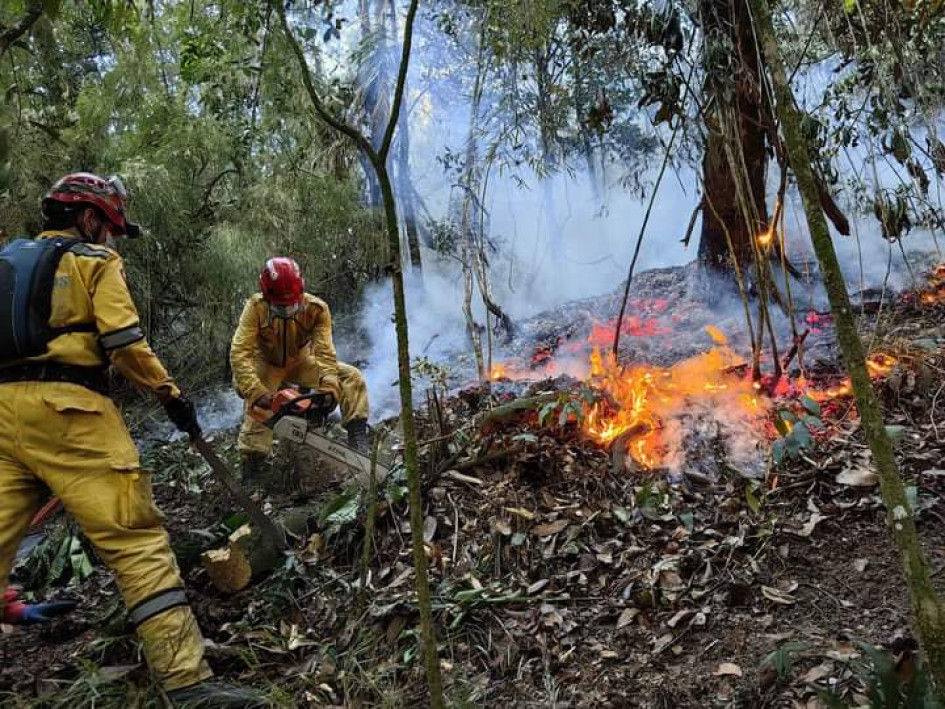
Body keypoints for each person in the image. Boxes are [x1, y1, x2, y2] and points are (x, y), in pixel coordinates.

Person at [0, 173, 263, 708]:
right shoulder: (94, 261)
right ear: (90, 219)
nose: (112, 240)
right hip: (71, 412)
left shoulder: (5, 260)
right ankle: (188, 684)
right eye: (111, 228)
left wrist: (12, 606)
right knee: (137, 541)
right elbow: (123, 343)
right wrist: (170, 395)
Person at [230, 257, 370, 485]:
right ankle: (253, 464)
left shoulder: (317, 309)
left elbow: (325, 353)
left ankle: (357, 434)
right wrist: (256, 391)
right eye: (279, 307)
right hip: (266, 364)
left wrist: (329, 388)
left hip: (300, 361)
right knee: (258, 404)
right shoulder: (255, 308)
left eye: (291, 305)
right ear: (266, 296)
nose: (286, 311)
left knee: (350, 376)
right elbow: (239, 352)